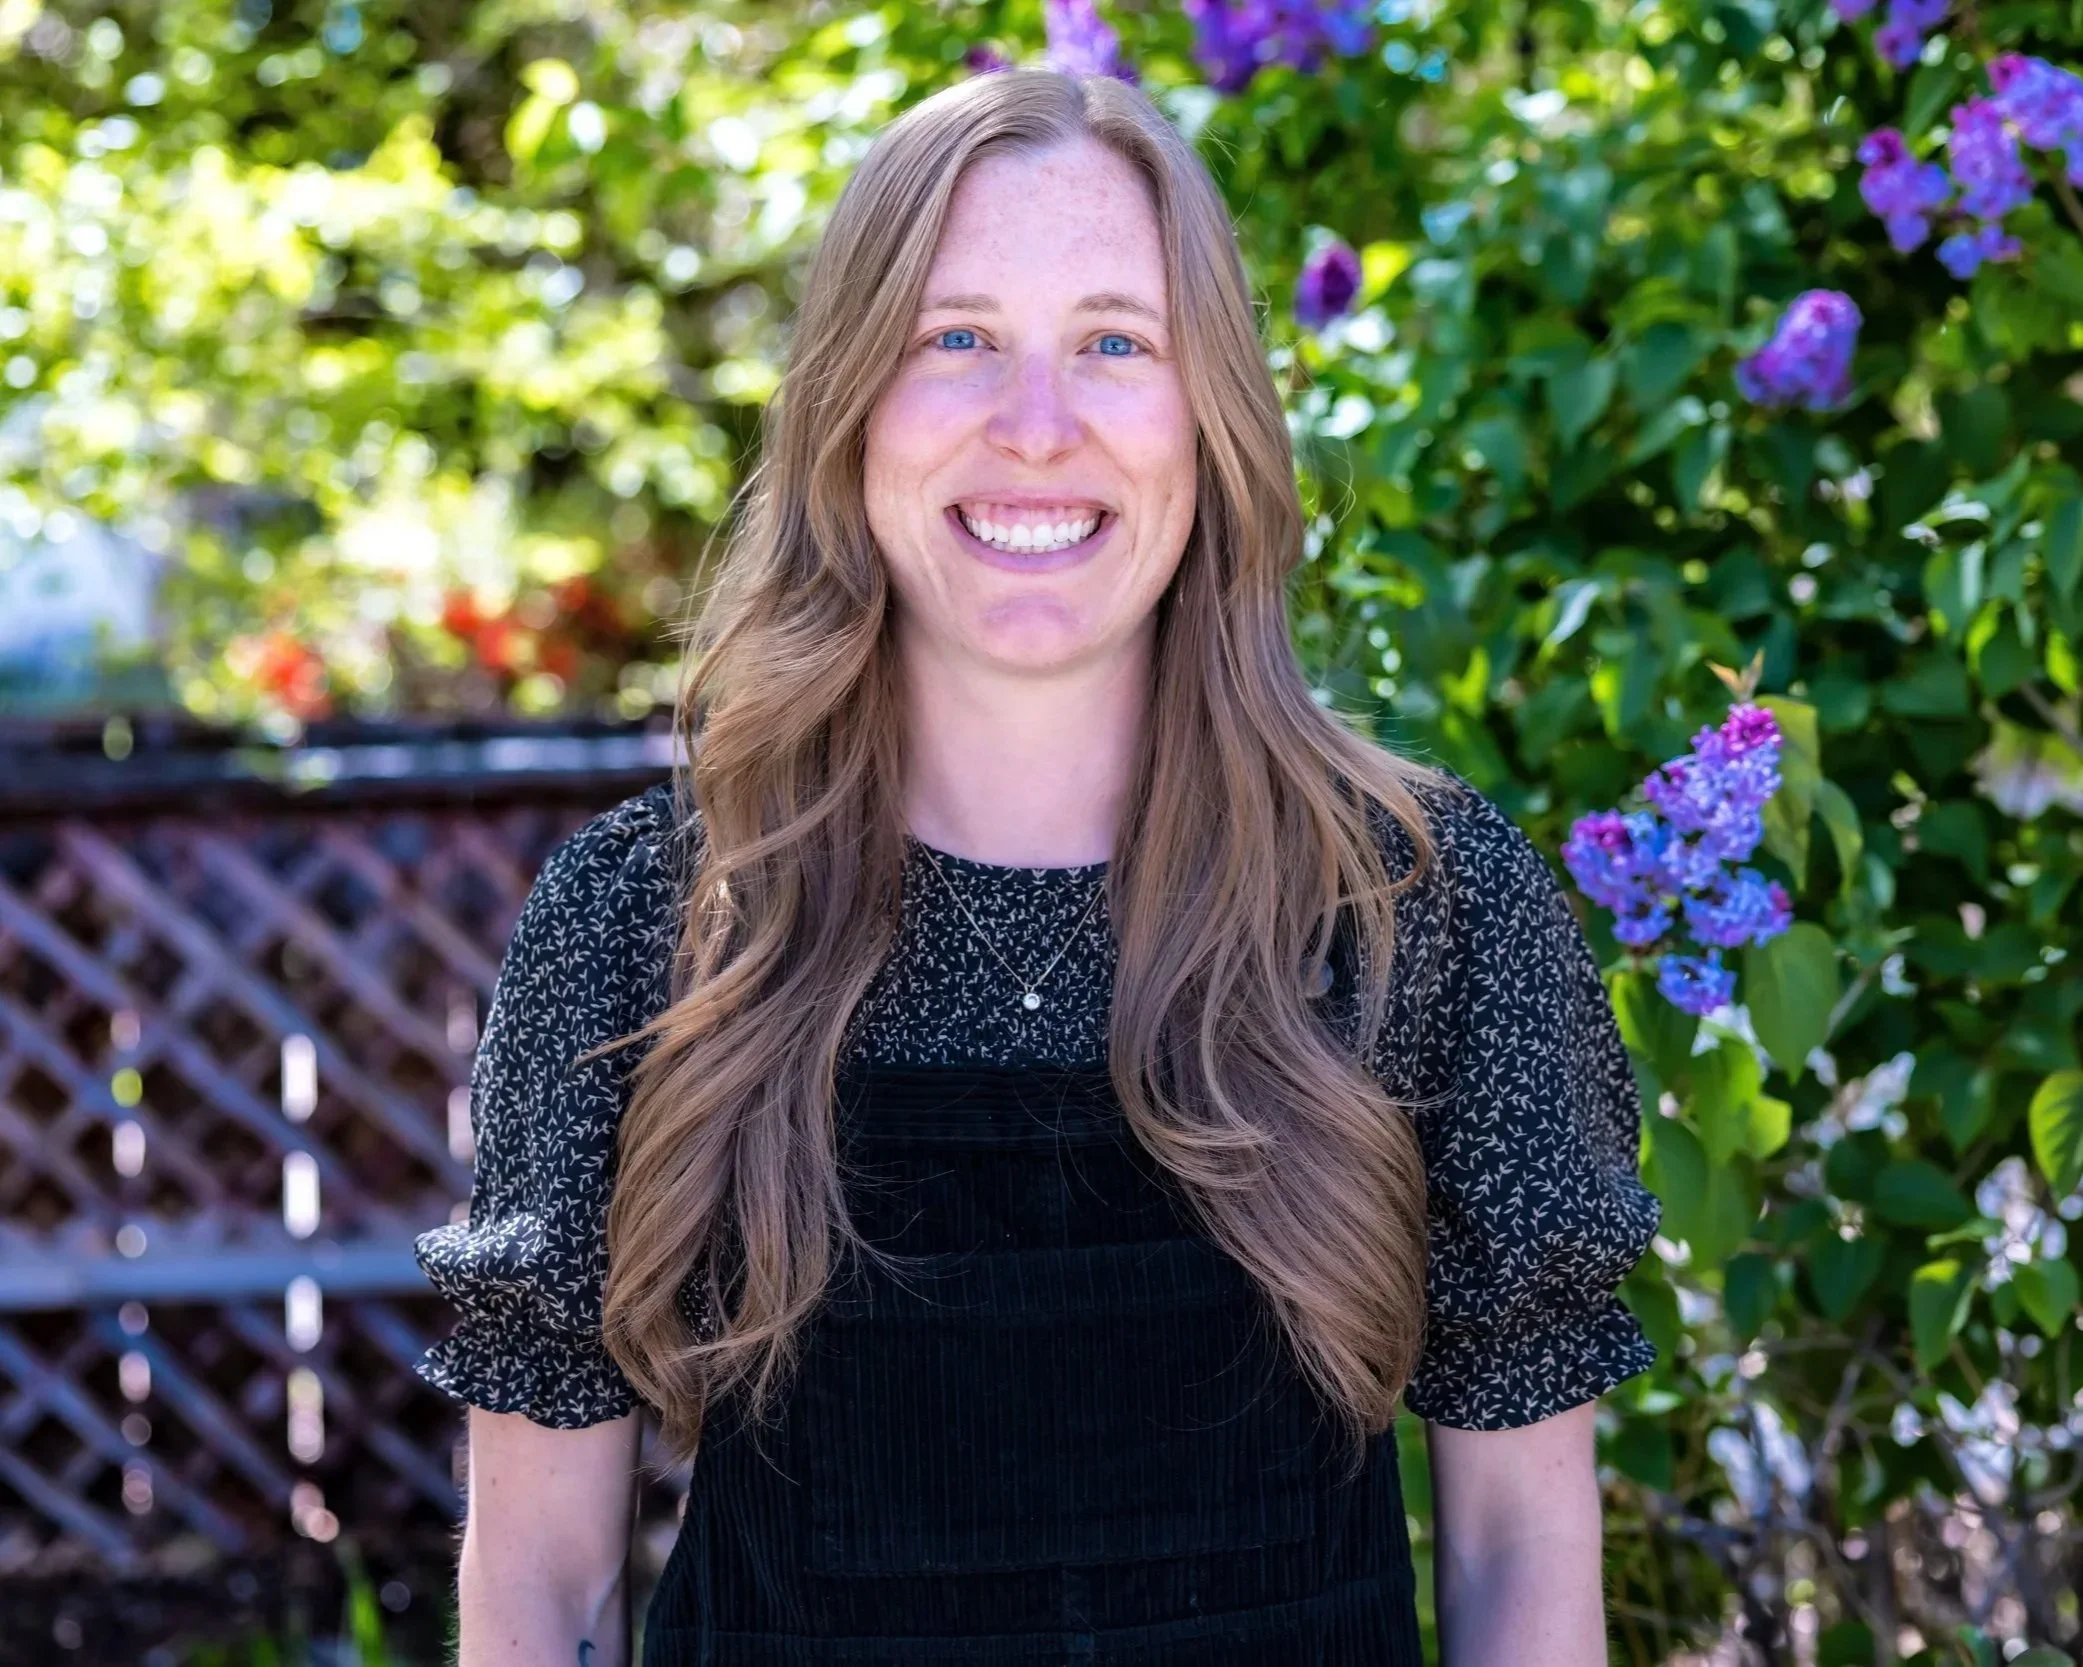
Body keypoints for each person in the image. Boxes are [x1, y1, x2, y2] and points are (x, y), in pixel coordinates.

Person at [414, 65, 1661, 1667]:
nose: (1036, 427)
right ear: (847, 405)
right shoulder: (647, 927)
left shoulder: (1419, 908)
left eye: (1114, 343)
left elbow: (1517, 1557)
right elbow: (539, 1592)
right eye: (959, 339)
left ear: (1210, 416)